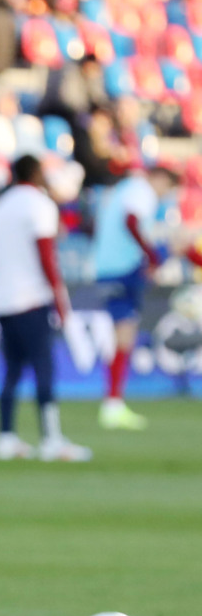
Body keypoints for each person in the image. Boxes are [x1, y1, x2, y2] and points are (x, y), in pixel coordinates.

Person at [0, 154, 91, 462]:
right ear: (37, 173)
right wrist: (59, 297)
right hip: (31, 297)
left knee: (12, 370)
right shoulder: (40, 205)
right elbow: (47, 254)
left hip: (3, 298)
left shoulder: (0, 207)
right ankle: (51, 439)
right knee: (44, 367)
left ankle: (5, 436)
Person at [92, 165, 191, 431]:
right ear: (159, 179)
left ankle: (113, 402)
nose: (164, 196)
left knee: (123, 335)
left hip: (112, 268)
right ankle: (112, 404)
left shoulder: (127, 189)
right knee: (124, 334)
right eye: (166, 189)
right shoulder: (141, 190)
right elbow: (131, 221)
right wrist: (150, 255)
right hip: (121, 269)